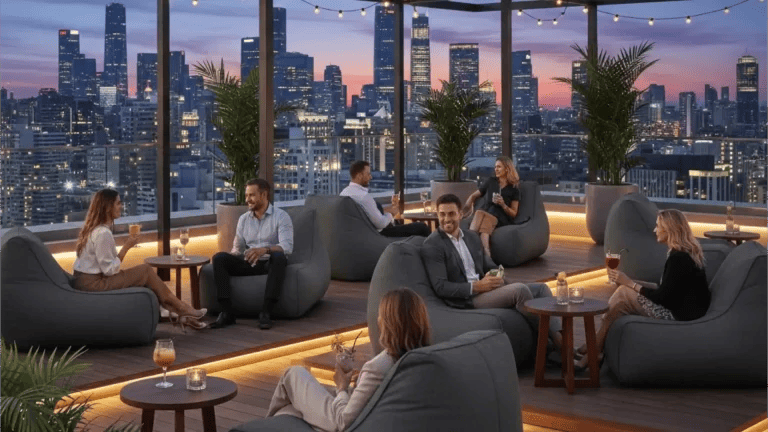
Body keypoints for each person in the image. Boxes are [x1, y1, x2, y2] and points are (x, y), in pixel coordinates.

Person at [266, 287, 431, 431]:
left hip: (340, 422)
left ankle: (264, 426)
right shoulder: (424, 358)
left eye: (381, 316)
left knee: (293, 374)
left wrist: (342, 388)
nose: (378, 320)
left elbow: (343, 421)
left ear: (388, 323)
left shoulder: (379, 368)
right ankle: (272, 424)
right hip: (369, 417)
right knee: (287, 411)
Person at [421, 193, 563, 350]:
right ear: (437, 215)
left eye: (451, 214)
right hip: (467, 299)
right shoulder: (433, 245)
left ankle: (561, 337)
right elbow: (441, 287)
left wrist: (497, 276)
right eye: (442, 214)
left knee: (542, 289)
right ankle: (560, 346)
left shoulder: (471, 237)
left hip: (486, 289)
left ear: (460, 214)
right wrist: (477, 286)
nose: (446, 219)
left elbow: (491, 265)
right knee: (520, 291)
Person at [575, 209, 710, 370]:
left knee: (623, 294)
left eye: (658, 226)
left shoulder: (679, 258)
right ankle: (594, 349)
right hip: (681, 309)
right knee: (620, 301)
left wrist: (631, 284)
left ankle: (593, 349)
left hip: (679, 316)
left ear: (670, 229)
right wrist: (630, 282)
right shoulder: (683, 253)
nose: (654, 230)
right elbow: (668, 289)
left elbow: (663, 297)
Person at [72, 189, 207, 330]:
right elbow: (109, 270)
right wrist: (127, 247)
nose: (121, 207)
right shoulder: (102, 233)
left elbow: (107, 267)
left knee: (144, 277)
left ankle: (178, 313)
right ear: (107, 207)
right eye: (118, 203)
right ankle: (182, 309)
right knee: (145, 271)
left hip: (84, 281)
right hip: (94, 284)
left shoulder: (95, 230)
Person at [210, 178, 293, 330]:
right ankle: (227, 312)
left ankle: (266, 312)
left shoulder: (281, 217)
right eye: (247, 195)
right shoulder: (243, 219)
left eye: (252, 195)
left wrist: (265, 249)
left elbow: (286, 247)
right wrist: (231, 258)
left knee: (280, 257)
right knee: (219, 258)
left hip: (269, 263)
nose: (247, 199)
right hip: (249, 261)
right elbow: (237, 249)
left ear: (263, 195)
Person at [340, 160, 430, 238]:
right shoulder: (363, 196)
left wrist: (386, 210)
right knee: (422, 227)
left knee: (404, 225)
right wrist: (391, 213)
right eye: (368, 174)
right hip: (381, 234)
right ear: (359, 175)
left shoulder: (344, 193)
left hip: (362, 234)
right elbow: (381, 224)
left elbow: (366, 214)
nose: (370, 177)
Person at [462, 156, 521, 258]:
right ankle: (487, 257)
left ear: (507, 168)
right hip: (487, 214)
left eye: (499, 167)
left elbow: (514, 213)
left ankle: (467, 248)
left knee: (480, 213)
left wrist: (503, 205)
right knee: (484, 232)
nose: (496, 169)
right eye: (495, 167)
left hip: (501, 217)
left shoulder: (514, 189)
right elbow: (473, 196)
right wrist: (464, 211)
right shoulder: (491, 181)